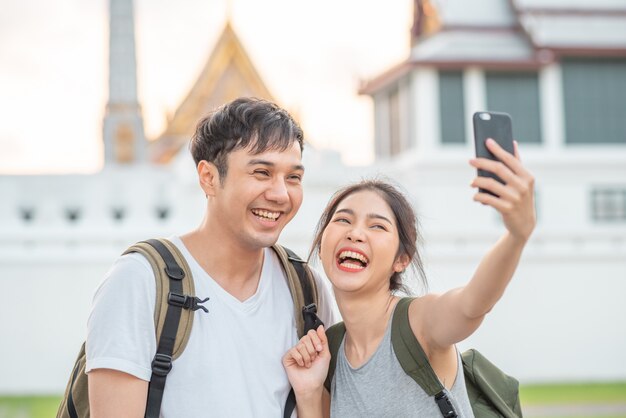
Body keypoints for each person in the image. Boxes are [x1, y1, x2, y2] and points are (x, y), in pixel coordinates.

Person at [86, 97, 336, 417]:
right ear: (208, 177)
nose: (280, 194)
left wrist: (310, 393)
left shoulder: (307, 290)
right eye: (261, 172)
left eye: (293, 177)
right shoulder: (140, 281)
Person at [283, 139, 536, 417]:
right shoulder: (329, 352)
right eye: (343, 220)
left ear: (402, 259)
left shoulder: (418, 322)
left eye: (377, 225)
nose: (355, 233)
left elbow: (472, 304)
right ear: (322, 243)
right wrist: (308, 392)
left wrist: (515, 236)